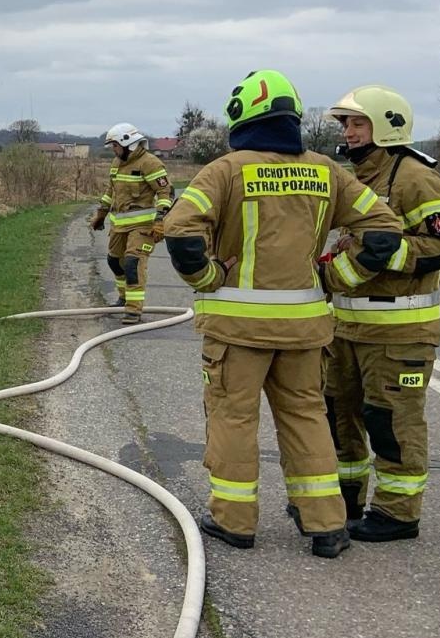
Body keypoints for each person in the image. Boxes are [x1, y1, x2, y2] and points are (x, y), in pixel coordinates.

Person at [161, 70, 402, 557]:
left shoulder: (226, 170)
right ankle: (327, 526)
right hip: (305, 332)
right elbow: (384, 231)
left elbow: (180, 230)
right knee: (307, 418)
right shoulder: (327, 171)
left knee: (233, 419)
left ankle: (235, 521)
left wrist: (207, 279)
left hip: (237, 332)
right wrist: (338, 279)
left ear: (241, 114)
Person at [323, 86, 440, 542]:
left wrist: (389, 253)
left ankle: (398, 513)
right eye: (346, 124)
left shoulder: (414, 178)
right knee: (339, 415)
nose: (349, 131)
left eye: (357, 123)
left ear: (386, 125)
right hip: (346, 328)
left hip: (399, 333)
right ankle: (345, 502)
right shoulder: (359, 176)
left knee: (391, 422)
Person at [89, 123, 174, 325]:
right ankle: (123, 298)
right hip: (119, 225)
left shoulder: (150, 163)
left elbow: (165, 193)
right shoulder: (116, 164)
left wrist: (160, 220)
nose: (113, 150)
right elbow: (111, 192)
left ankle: (134, 310)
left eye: (115, 145)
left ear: (128, 143)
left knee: (132, 263)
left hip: (143, 227)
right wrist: (101, 214)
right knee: (114, 261)